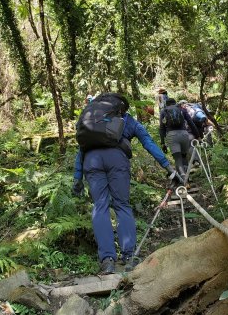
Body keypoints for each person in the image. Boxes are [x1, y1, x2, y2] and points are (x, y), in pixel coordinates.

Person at [72, 92, 177, 275]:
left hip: (91, 161)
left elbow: (81, 150)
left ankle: (107, 260)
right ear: (121, 107)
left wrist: (77, 178)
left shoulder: (92, 121)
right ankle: (128, 255)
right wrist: (168, 167)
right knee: (122, 206)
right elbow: (148, 142)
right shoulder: (126, 119)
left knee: (100, 206)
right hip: (117, 161)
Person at [160, 98, 200, 178]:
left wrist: (163, 143)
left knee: (178, 158)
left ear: (166, 104)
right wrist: (198, 136)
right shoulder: (182, 109)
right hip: (184, 134)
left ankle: (183, 177)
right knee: (184, 156)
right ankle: (187, 177)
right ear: (175, 103)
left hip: (171, 136)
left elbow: (162, 128)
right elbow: (191, 123)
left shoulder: (164, 111)